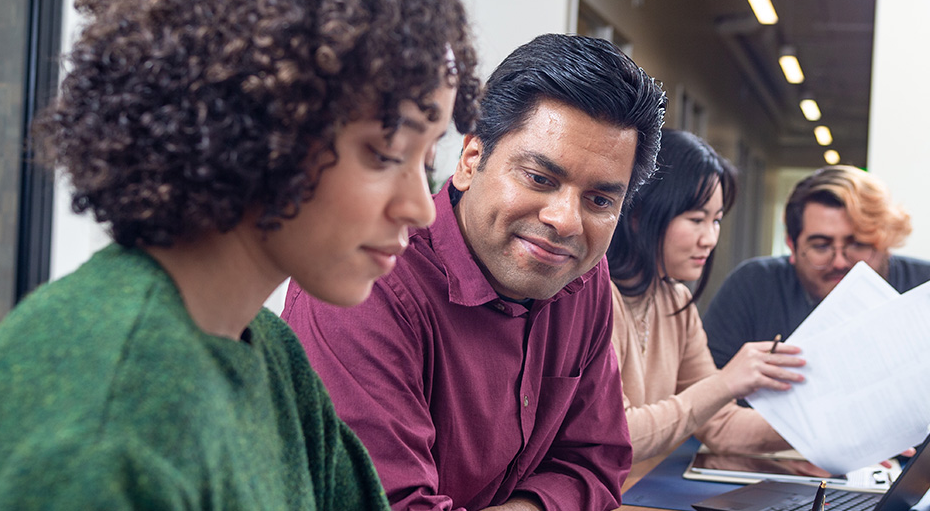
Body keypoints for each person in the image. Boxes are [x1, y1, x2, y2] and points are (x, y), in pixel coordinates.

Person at [0, 0, 484, 510]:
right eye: (385, 153)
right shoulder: (107, 418)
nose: (421, 209)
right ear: (260, 125)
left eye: (426, 164)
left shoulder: (267, 352)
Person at [283, 34, 665, 511]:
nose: (565, 221)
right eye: (540, 179)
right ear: (470, 160)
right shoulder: (365, 280)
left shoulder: (582, 277)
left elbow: (597, 465)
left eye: (600, 200)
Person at [606, 129, 804, 463]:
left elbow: (721, 425)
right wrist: (725, 383)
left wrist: (831, 428)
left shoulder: (675, 301)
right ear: (639, 214)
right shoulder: (596, 297)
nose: (710, 238)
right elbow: (617, 437)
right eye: (697, 219)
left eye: (717, 220)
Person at [704, 165, 930, 371]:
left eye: (858, 245)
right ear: (791, 244)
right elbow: (708, 390)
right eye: (821, 246)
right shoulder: (753, 286)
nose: (840, 261)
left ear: (884, 242)